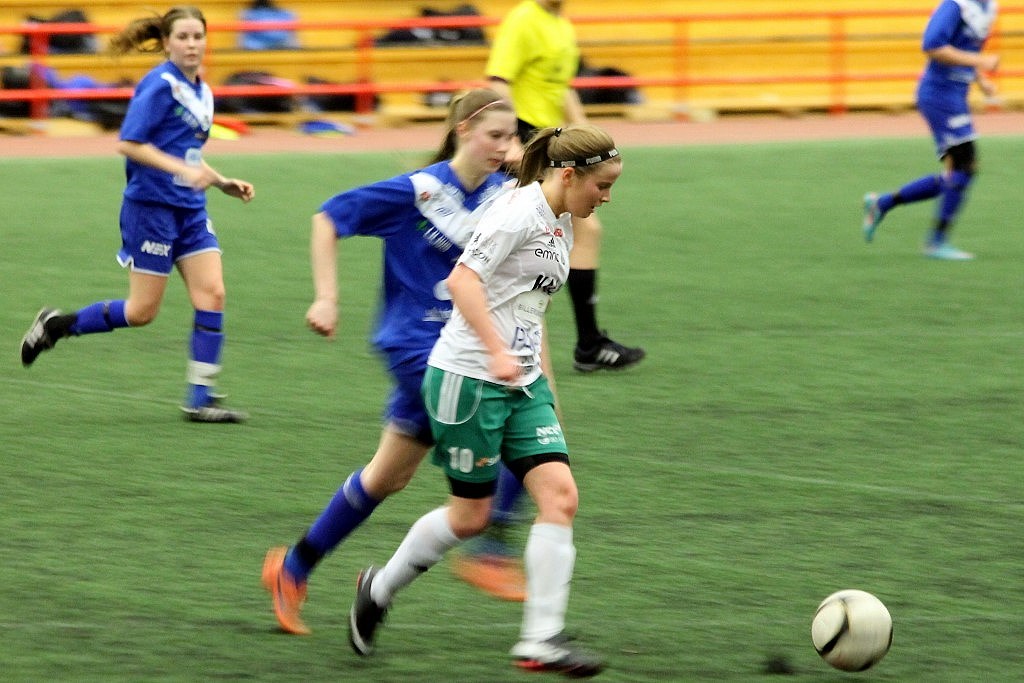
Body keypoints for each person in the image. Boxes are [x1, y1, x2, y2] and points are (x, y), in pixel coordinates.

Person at [347, 124, 620, 678]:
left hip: (522, 384)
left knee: (560, 497)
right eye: (603, 185)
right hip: (468, 380)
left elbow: (527, 305)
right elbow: (463, 282)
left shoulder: (563, 218)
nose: (607, 196)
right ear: (570, 176)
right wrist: (497, 352)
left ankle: (540, 641)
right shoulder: (516, 213)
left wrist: (540, 379)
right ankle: (378, 587)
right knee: (470, 518)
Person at [261, 88, 527, 636]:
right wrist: (327, 297)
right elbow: (328, 218)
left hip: (464, 347)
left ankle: (293, 568)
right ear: (463, 131)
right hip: (415, 347)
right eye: (495, 136)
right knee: (513, 421)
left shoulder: (503, 195)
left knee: (387, 477)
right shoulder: (419, 191)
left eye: (512, 137)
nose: (505, 147)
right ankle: (491, 549)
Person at [19, 5, 254, 423]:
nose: (192, 44)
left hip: (190, 210)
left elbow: (187, 152)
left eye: (198, 36)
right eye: (182, 37)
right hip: (151, 210)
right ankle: (58, 325)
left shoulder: (202, 90)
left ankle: (200, 398)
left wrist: (220, 181)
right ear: (166, 43)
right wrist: (185, 171)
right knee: (142, 312)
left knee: (213, 294)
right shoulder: (160, 85)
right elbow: (129, 143)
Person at [485, 0, 644, 370]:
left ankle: (585, 343)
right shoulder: (524, 20)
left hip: (550, 139)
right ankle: (580, 344)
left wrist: (589, 135)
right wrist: (511, 139)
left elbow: (563, 88)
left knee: (575, 232)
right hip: (527, 138)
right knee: (558, 233)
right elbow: (497, 82)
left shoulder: (560, 25)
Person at [862, 0, 998, 260]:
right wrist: (981, 61)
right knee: (965, 166)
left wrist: (981, 80)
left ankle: (881, 204)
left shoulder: (987, 6)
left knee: (957, 174)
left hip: (955, 94)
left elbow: (964, 47)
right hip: (939, 95)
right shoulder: (955, 5)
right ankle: (936, 242)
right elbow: (932, 45)